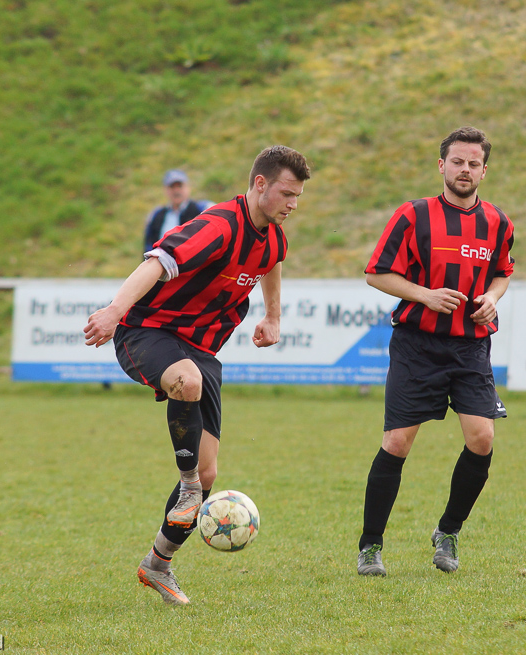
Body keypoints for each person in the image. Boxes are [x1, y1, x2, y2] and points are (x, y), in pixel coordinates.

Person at [83, 146, 311, 605]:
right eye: (286, 193)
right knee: (188, 384)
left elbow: (272, 260)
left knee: (207, 472)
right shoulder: (219, 225)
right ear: (260, 184)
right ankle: (187, 486)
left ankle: (158, 564)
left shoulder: (273, 236)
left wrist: (272, 316)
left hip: (201, 350)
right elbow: (156, 262)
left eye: (298, 197)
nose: (292, 203)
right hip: (147, 330)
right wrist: (113, 310)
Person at [356, 126, 515, 577]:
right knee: (397, 442)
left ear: (484, 170)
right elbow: (376, 273)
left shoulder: (498, 222)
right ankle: (371, 545)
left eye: (474, 163)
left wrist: (493, 297)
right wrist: (424, 295)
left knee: (482, 439)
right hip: (417, 346)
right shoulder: (413, 216)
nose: (465, 170)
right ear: (441, 165)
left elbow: (503, 273)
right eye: (457, 162)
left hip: (471, 346)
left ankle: (448, 531)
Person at [142, 169, 213, 252]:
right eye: (172, 187)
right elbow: (149, 244)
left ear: (188, 187)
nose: (176, 191)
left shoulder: (202, 209)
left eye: (179, 186)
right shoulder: (157, 215)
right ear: (166, 190)